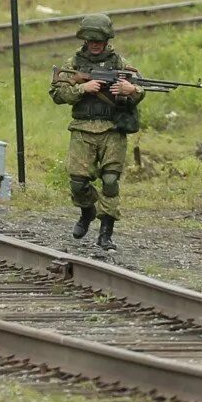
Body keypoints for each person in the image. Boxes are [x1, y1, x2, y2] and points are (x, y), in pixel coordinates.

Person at [48, 13, 144, 250]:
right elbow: (58, 94)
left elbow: (142, 88)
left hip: (112, 129)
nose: (95, 44)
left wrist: (131, 89)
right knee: (78, 182)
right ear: (84, 40)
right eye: (91, 40)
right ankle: (87, 211)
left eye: (99, 40)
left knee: (110, 180)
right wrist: (83, 89)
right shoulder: (73, 64)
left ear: (107, 39)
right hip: (82, 130)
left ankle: (106, 233)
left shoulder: (120, 63)